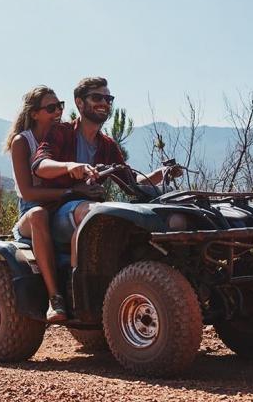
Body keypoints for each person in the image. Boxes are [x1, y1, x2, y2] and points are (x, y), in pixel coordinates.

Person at [32, 77, 175, 266]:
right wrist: (69, 166)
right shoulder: (62, 132)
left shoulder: (107, 145)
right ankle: (78, 287)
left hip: (91, 210)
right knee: (95, 214)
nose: (104, 103)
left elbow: (131, 182)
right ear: (79, 102)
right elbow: (40, 166)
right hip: (58, 211)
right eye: (97, 98)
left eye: (108, 99)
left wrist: (161, 173)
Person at [5, 86, 101, 322]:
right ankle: (54, 297)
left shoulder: (61, 137)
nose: (57, 112)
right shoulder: (22, 142)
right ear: (35, 113)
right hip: (31, 211)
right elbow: (27, 192)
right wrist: (69, 190)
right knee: (38, 215)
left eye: (60, 106)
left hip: (60, 207)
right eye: (50, 108)